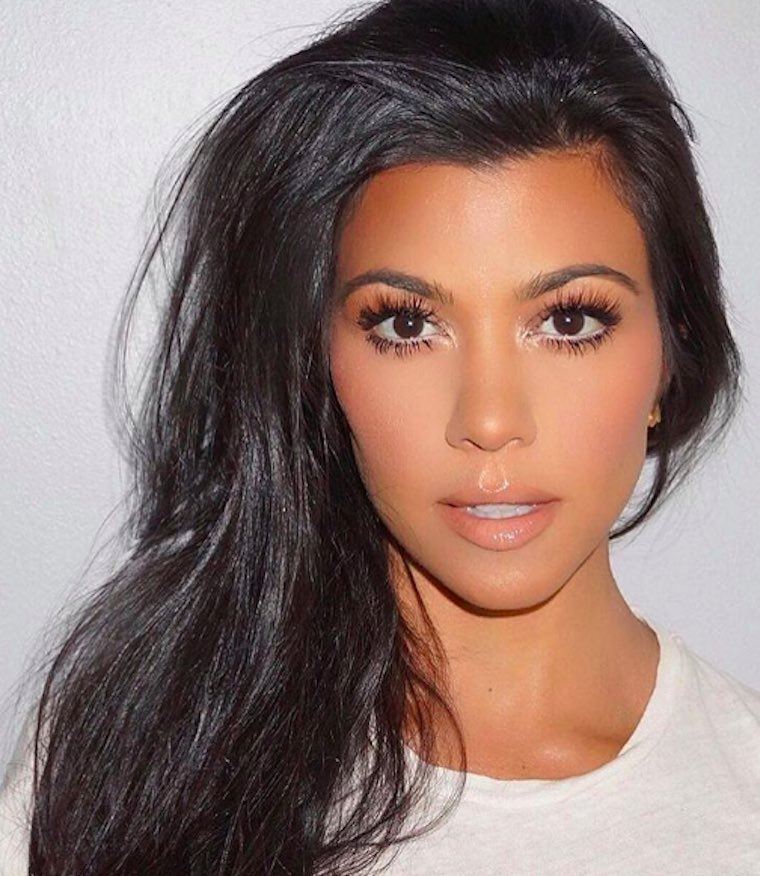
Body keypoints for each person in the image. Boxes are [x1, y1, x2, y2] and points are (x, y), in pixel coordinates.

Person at [1, 0, 758, 873]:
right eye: (406, 325)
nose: (489, 421)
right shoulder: (139, 765)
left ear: (671, 350)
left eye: (568, 320)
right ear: (317, 360)